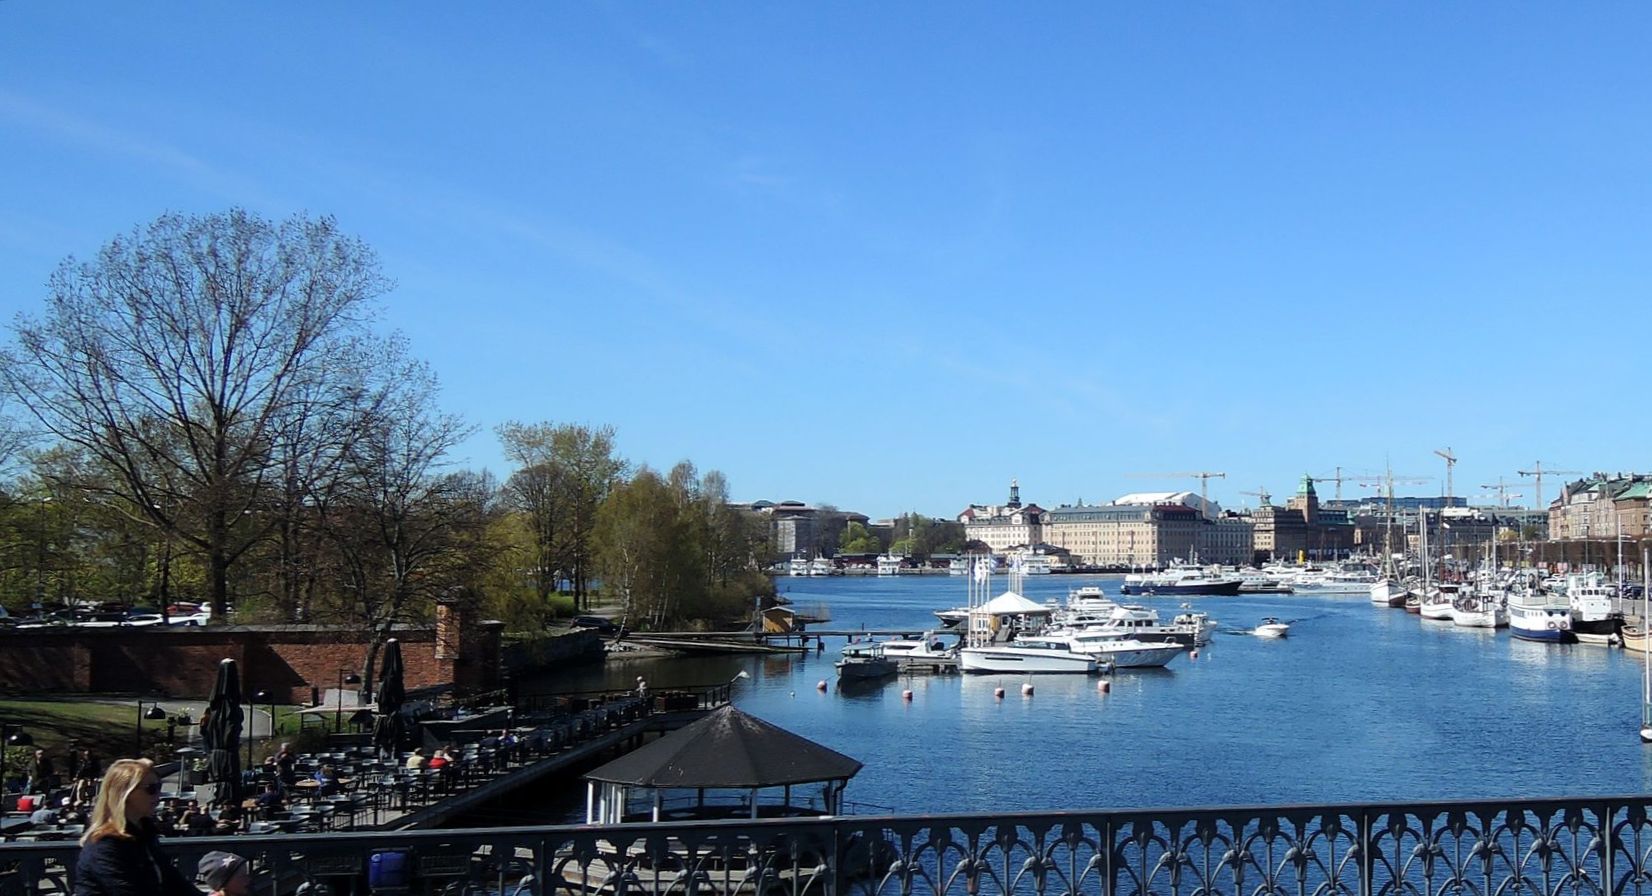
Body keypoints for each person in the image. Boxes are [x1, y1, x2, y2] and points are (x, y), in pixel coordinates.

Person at [74, 758, 200, 896]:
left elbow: (175, 882)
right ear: (125, 794)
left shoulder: (145, 834)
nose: (159, 796)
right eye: (151, 789)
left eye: (159, 788)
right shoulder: (104, 844)